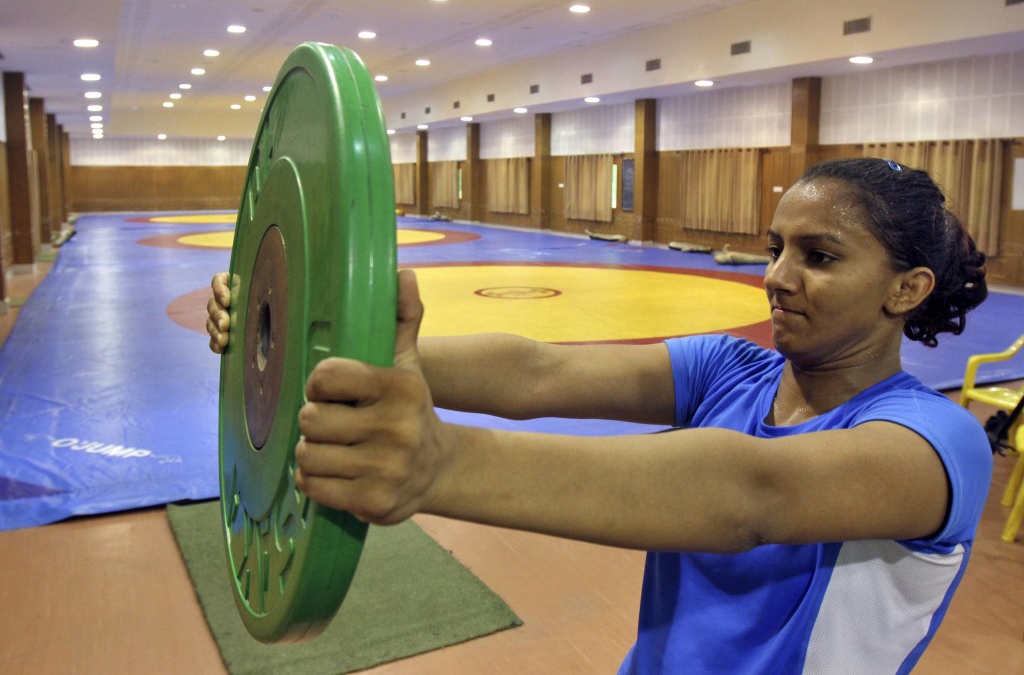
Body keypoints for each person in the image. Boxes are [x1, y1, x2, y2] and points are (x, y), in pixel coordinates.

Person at [207, 157, 992, 673]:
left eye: (819, 258)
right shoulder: (731, 369)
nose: (777, 278)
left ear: (907, 289)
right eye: (776, 247)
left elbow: (750, 496)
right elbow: (537, 372)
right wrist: (302, 347)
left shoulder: (935, 444)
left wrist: (439, 464)